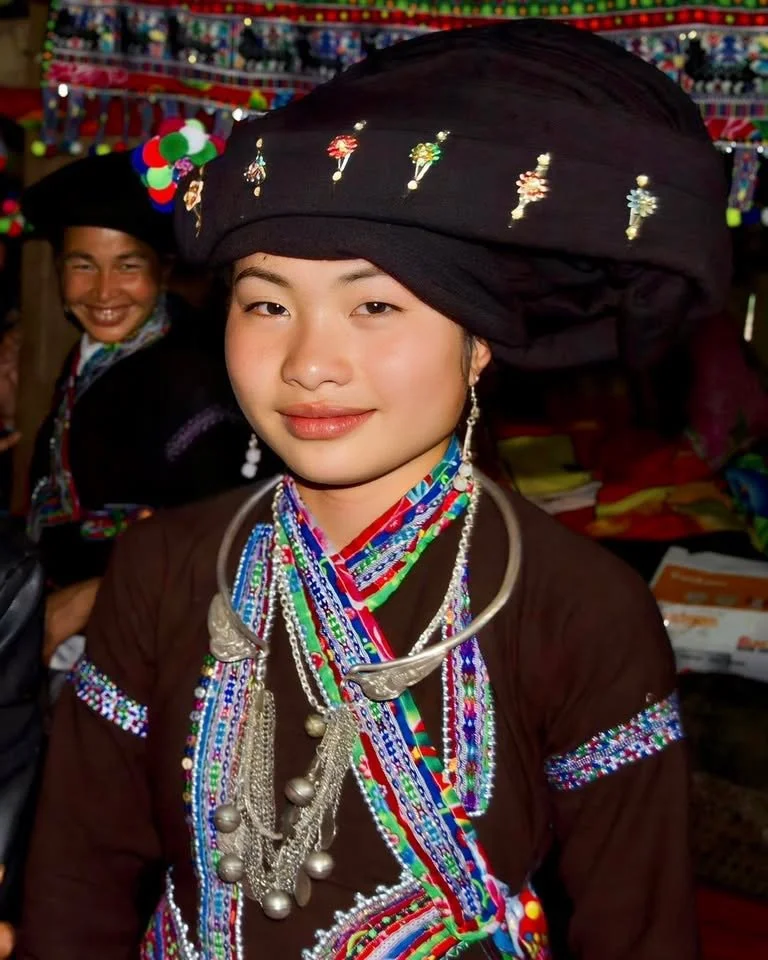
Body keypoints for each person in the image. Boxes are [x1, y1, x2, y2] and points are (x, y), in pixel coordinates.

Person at [19, 20, 728, 959]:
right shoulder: (165, 567)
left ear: (479, 343)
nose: (310, 364)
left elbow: (640, 934)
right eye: (267, 304)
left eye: (376, 306)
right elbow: (80, 881)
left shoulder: (580, 610)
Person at [20, 140, 281, 665]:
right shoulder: (93, 357)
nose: (104, 291)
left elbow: (217, 532)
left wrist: (84, 602)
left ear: (161, 271)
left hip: (151, 635)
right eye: (83, 265)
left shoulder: (194, 376)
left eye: (127, 266)